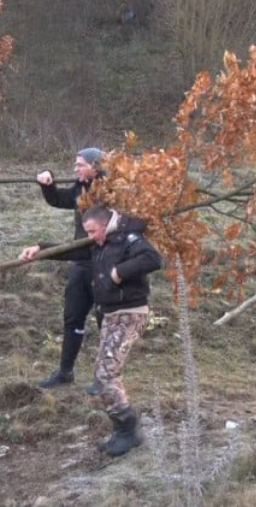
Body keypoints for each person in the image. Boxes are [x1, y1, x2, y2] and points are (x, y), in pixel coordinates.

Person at [21, 205, 162, 457]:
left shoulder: (129, 238)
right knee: (104, 374)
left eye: (93, 231)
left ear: (105, 224)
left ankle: (129, 430)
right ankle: (123, 428)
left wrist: (119, 272)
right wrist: (39, 249)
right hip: (110, 314)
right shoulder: (98, 242)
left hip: (129, 314)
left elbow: (152, 259)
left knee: (106, 374)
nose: (91, 237)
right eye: (87, 232)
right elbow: (69, 250)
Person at [23, 147, 104, 393]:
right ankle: (65, 372)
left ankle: (105, 380)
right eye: (75, 164)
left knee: (106, 324)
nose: (75, 168)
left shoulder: (112, 193)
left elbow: (88, 246)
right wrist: (47, 183)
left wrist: (44, 249)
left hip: (105, 265)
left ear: (96, 166)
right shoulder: (81, 188)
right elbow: (59, 199)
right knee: (72, 317)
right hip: (81, 264)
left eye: (80, 164)